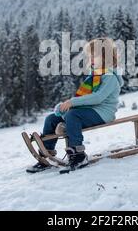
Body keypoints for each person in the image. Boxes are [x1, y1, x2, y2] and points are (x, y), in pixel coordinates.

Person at [27, 37, 124, 173]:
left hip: (103, 113)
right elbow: (85, 98)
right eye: (89, 56)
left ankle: (78, 155)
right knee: (52, 119)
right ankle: (46, 155)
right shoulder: (95, 75)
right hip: (89, 111)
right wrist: (66, 106)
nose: (90, 59)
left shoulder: (110, 77)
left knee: (73, 115)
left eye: (93, 56)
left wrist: (72, 103)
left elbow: (97, 98)